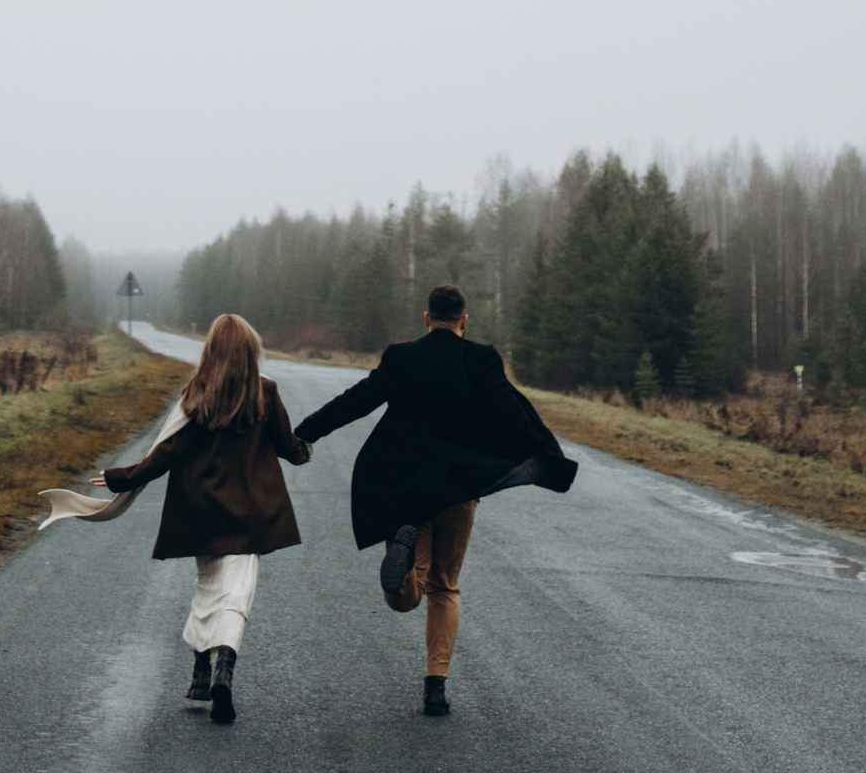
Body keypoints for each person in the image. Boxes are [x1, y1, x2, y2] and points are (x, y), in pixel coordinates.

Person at [293, 283, 576, 716]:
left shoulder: (401, 356)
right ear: (464, 320)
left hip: (404, 488)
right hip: (458, 488)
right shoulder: (481, 358)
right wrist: (547, 460)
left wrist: (305, 432)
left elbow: (359, 401)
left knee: (406, 598)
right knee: (446, 584)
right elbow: (511, 413)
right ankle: (436, 685)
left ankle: (403, 572)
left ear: (426, 318)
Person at [37, 311, 309, 722]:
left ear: (211, 349)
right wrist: (306, 447)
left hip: (202, 510)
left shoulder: (198, 391)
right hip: (250, 515)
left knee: (208, 590)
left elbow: (166, 453)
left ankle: (202, 670)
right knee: (235, 596)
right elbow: (289, 447)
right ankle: (222, 668)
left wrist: (119, 478)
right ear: (251, 349)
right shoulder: (264, 392)